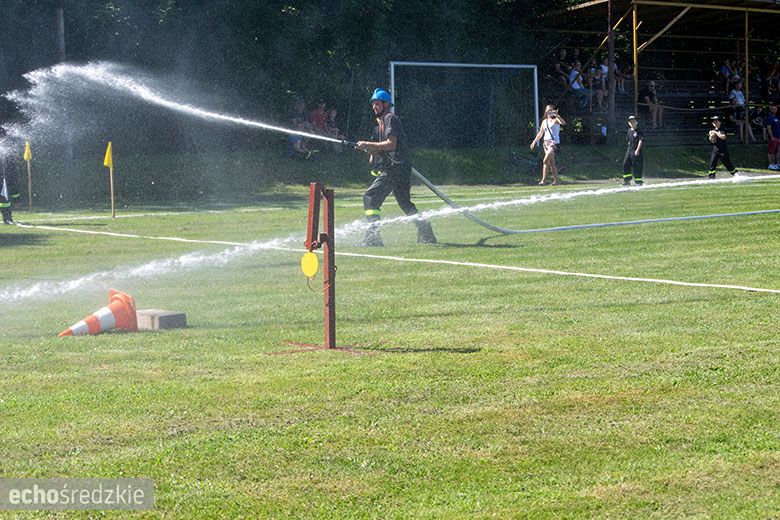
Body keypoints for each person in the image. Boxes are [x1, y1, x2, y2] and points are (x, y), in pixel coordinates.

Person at [354, 88, 436, 246]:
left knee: (370, 198)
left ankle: (373, 238)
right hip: (399, 168)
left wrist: (368, 144)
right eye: (373, 104)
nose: (374, 107)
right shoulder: (382, 124)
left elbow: (391, 145)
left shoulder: (390, 118)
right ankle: (426, 231)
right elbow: (383, 148)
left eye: (377, 104)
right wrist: (371, 149)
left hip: (394, 168)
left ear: (386, 104)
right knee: (405, 203)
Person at [530, 105, 565, 186]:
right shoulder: (544, 121)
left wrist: (557, 115)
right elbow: (540, 133)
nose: (549, 112)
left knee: (545, 160)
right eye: (548, 110)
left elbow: (563, 123)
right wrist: (534, 142)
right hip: (546, 143)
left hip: (553, 143)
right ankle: (554, 181)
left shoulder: (555, 120)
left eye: (551, 110)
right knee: (551, 164)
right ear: (546, 111)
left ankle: (543, 180)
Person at [622, 115, 644, 186]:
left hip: (636, 151)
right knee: (625, 164)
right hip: (629, 150)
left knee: (636, 166)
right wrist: (628, 151)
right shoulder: (629, 131)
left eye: (633, 121)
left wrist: (637, 150)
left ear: (637, 122)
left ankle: (638, 181)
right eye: (630, 121)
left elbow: (641, 140)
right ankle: (627, 180)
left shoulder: (639, 131)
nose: (632, 123)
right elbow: (628, 141)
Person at [0, 154, 21, 225]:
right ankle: (7, 218)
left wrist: (16, 200)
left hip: (4, 178)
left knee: (4, 200)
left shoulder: (9, 161)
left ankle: (7, 218)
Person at [765, 104, 780, 170]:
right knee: (771, 151)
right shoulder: (769, 117)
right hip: (773, 137)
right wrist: (772, 137)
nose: (774, 110)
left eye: (775, 109)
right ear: (770, 109)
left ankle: (775, 164)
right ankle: (770, 164)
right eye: (772, 109)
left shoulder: (776, 117)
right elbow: (769, 128)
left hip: (778, 137)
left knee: (775, 151)